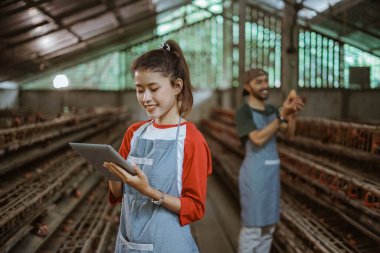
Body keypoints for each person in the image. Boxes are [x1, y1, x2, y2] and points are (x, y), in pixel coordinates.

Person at [104, 40, 212, 253]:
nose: (145, 98)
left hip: (169, 246)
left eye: (154, 89)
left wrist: (150, 191)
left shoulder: (190, 139)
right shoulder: (134, 133)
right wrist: (112, 173)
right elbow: (117, 194)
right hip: (128, 244)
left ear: (177, 87)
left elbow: (195, 207)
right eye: (139, 90)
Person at [235, 68, 304, 253]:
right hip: (254, 175)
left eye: (266, 80)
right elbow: (256, 139)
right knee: (252, 229)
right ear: (247, 87)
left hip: (271, 175)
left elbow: (290, 134)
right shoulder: (244, 111)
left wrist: (291, 114)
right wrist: (282, 115)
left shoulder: (272, 109)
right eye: (259, 82)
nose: (265, 85)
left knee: (268, 229)